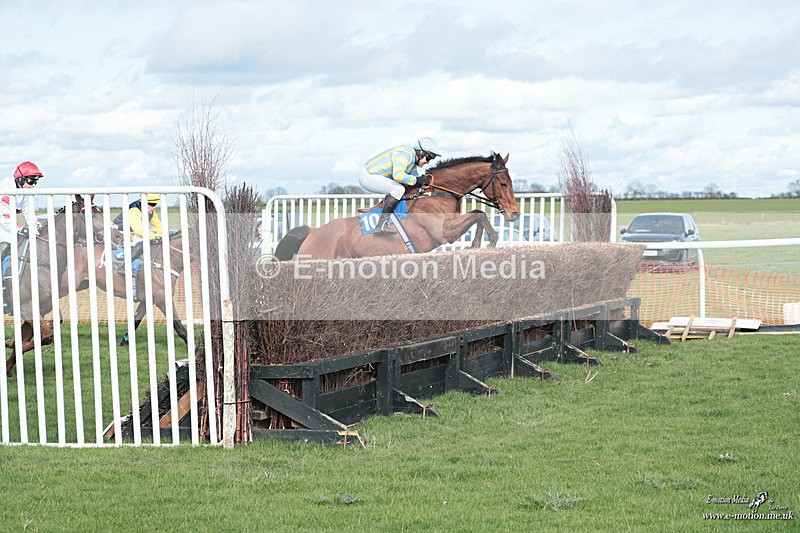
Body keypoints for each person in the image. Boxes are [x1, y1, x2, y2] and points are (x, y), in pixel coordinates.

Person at [359, 138, 441, 235]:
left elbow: (414, 182)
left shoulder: (412, 165)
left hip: (377, 177)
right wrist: (418, 180)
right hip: (368, 176)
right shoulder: (404, 153)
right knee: (398, 189)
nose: (428, 162)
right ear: (421, 153)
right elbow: (398, 176)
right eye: (428, 158)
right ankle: (381, 225)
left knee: (402, 189)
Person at [0, 162, 43, 273]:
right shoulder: (5, 188)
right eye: (31, 181)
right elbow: (3, 215)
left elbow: (28, 212)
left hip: (7, 223)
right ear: (20, 179)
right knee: (5, 244)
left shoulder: (24, 191)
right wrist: (21, 228)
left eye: (35, 182)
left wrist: (36, 225)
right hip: (2, 221)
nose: (33, 185)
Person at [112, 193, 163, 260]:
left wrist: (163, 235)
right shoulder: (134, 209)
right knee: (143, 242)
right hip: (118, 233)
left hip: (132, 232)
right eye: (152, 205)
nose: (154, 207)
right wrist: (155, 236)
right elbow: (138, 230)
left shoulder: (150, 211)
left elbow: (158, 226)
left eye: (155, 205)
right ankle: (125, 266)